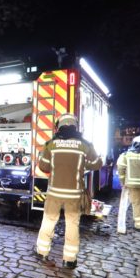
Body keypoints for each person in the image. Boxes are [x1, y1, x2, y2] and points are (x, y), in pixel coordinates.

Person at [35, 113, 103, 269]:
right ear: (75, 126)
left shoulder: (50, 144)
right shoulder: (85, 145)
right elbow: (96, 164)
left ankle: (42, 252)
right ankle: (69, 259)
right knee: (72, 224)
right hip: (74, 193)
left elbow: (43, 167)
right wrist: (81, 165)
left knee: (49, 221)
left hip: (54, 193)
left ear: (59, 126)